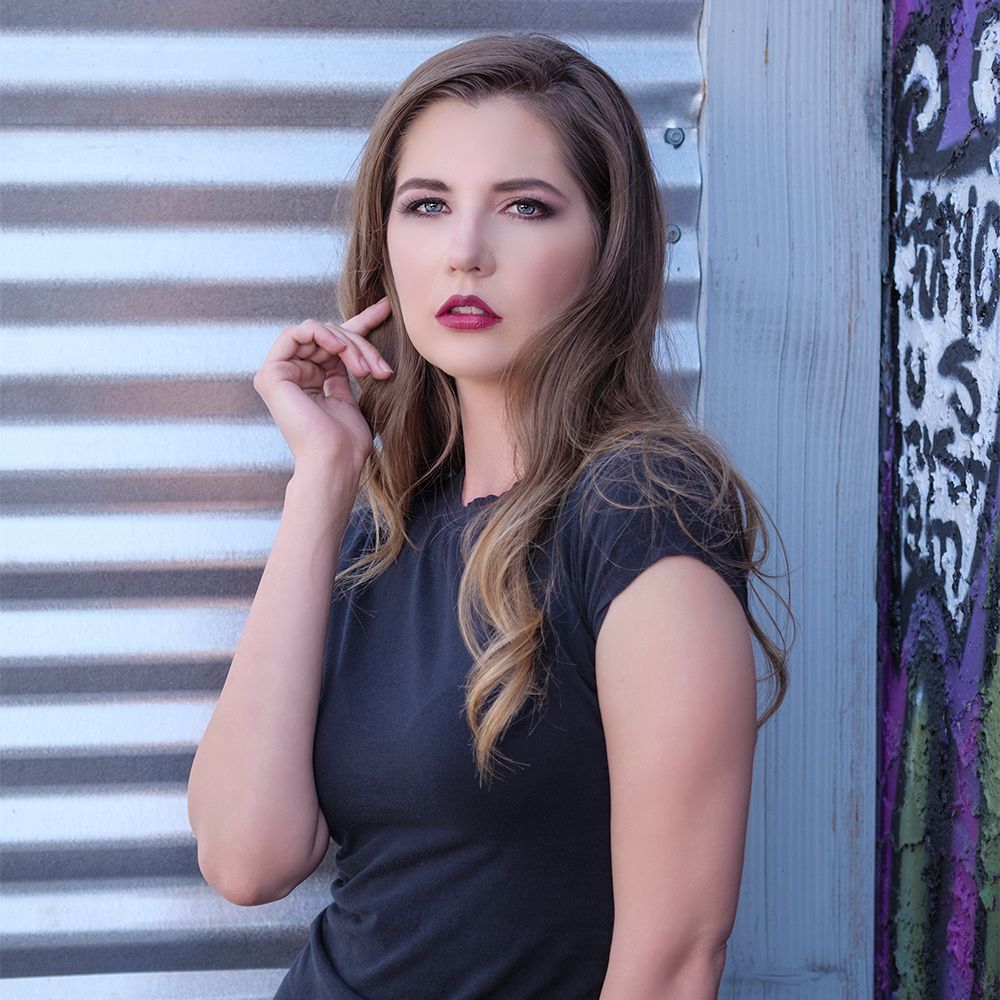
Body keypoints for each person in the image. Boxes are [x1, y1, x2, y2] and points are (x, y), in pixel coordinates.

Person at [187, 32, 793, 1000]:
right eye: (427, 204)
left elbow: (676, 960)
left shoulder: (639, 510)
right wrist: (324, 479)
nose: (464, 252)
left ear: (608, 247)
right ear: (386, 243)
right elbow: (246, 859)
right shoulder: (382, 527)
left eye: (525, 206)